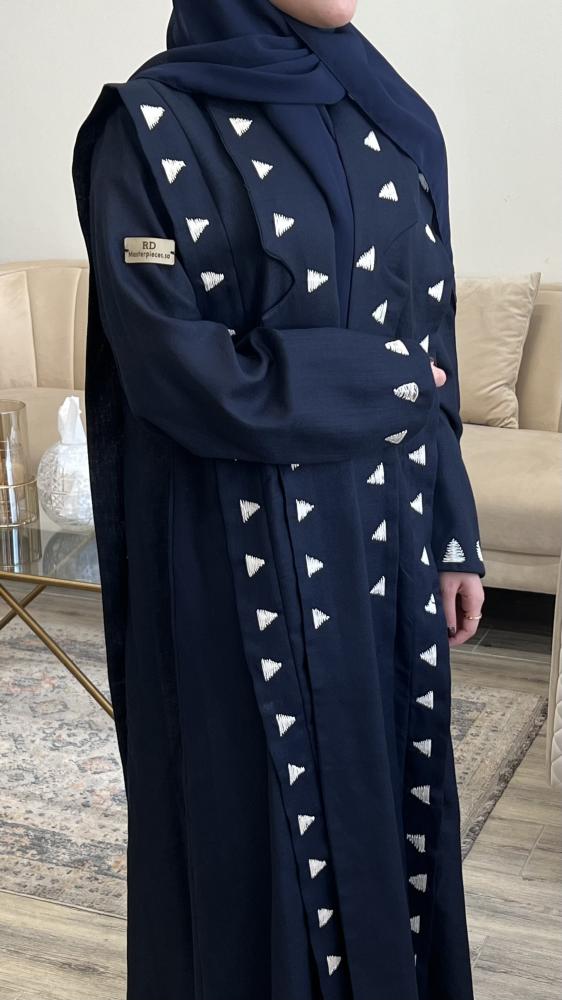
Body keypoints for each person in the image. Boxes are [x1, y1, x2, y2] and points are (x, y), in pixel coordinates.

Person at [72, 2, 486, 998]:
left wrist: (452, 533)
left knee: (392, 812)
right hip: (232, 555)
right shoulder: (149, 129)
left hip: (386, 545)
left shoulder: (392, 117)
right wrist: (384, 381)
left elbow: (431, 336)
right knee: (251, 831)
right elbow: (175, 369)